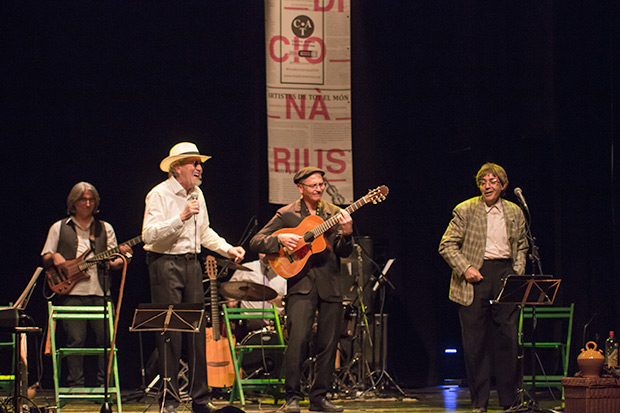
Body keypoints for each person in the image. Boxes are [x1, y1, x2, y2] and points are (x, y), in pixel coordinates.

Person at [142, 142, 245, 413]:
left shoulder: (197, 192)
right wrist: (180, 217)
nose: (200, 168)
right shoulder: (160, 194)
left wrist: (227, 248)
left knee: (197, 331)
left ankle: (200, 399)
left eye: (200, 164)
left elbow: (205, 231)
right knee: (171, 332)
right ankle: (169, 400)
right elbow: (148, 235)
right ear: (177, 167)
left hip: (192, 264)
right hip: (165, 264)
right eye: (194, 163)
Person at [249, 166, 353, 413]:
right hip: (301, 284)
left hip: (330, 285)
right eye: (313, 185)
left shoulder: (335, 213)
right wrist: (280, 239)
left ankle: (319, 397)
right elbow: (256, 241)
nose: (319, 189)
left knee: (328, 343)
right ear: (300, 188)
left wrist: (347, 233)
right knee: (298, 341)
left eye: (321, 184)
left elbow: (343, 251)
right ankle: (292, 397)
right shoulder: (287, 214)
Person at [438, 162, 529, 413]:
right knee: (475, 343)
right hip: (474, 275)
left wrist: (518, 272)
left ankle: (510, 401)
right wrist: (465, 267)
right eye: (483, 181)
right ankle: (480, 404)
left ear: (503, 185)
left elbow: (522, 246)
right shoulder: (465, 209)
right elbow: (446, 245)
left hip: (505, 273)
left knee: (508, 339)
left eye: (492, 181)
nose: (487, 186)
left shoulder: (514, 212)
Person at [41, 181, 133, 388]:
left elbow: (114, 261)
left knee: (105, 342)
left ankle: (105, 386)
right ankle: (75, 385)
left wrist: (121, 259)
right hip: (71, 292)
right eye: (83, 199)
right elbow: (45, 256)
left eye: (92, 200)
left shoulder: (104, 228)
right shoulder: (59, 227)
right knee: (75, 340)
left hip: (100, 292)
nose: (88, 203)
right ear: (74, 202)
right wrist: (55, 257)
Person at [228, 253, 287, 335]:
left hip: (277, 324)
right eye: (262, 252)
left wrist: (278, 299)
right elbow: (229, 289)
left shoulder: (285, 271)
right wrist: (231, 301)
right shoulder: (246, 268)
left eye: (267, 252)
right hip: (250, 322)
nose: (265, 256)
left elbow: (288, 300)